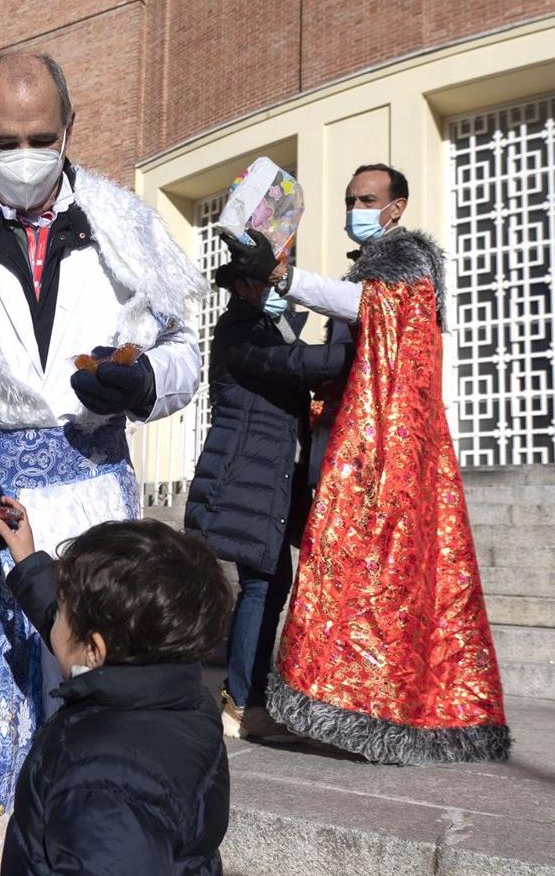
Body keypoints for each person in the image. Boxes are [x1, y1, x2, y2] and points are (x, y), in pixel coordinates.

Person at [0, 51, 205, 863]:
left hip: (95, 513)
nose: (26, 156)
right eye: (7, 140)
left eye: (42, 138)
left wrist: (144, 380)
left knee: (93, 721)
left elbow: (184, 348)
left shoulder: (128, 230)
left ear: (71, 129)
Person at [225, 162, 512, 764]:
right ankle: (350, 706)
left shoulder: (405, 264)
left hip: (387, 461)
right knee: (347, 584)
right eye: (350, 199)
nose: (355, 209)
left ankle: (384, 708)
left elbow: (362, 306)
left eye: (367, 199)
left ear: (396, 207)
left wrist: (285, 276)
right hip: (349, 452)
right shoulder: (369, 272)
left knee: (383, 584)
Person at [0, 500, 231, 875]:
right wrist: (29, 562)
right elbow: (75, 635)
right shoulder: (182, 697)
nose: (56, 618)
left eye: (62, 609)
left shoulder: (101, 780)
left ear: (95, 649)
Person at [185, 244, 353, 739]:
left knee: (270, 584)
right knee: (262, 584)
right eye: (266, 281)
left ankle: (246, 698)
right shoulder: (241, 330)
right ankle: (242, 703)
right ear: (243, 287)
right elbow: (297, 363)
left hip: (267, 478)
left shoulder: (267, 326)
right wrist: (361, 349)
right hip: (245, 477)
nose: (275, 290)